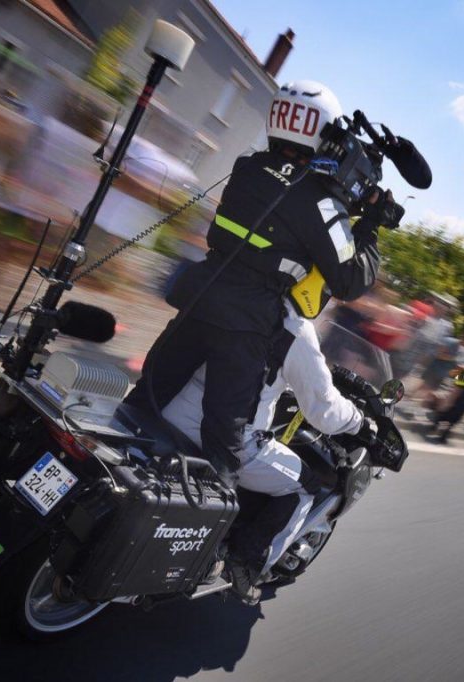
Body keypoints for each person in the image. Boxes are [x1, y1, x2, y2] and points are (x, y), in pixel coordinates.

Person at [124, 80, 397, 488]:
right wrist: (370, 226)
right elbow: (349, 278)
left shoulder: (247, 168)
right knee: (224, 452)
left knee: (143, 402)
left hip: (200, 297)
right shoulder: (320, 202)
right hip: (246, 324)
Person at [163, 299, 371, 604]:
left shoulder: (236, 295)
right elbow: (324, 410)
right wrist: (359, 421)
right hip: (224, 436)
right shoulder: (294, 328)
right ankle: (244, 565)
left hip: (170, 408)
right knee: (304, 487)